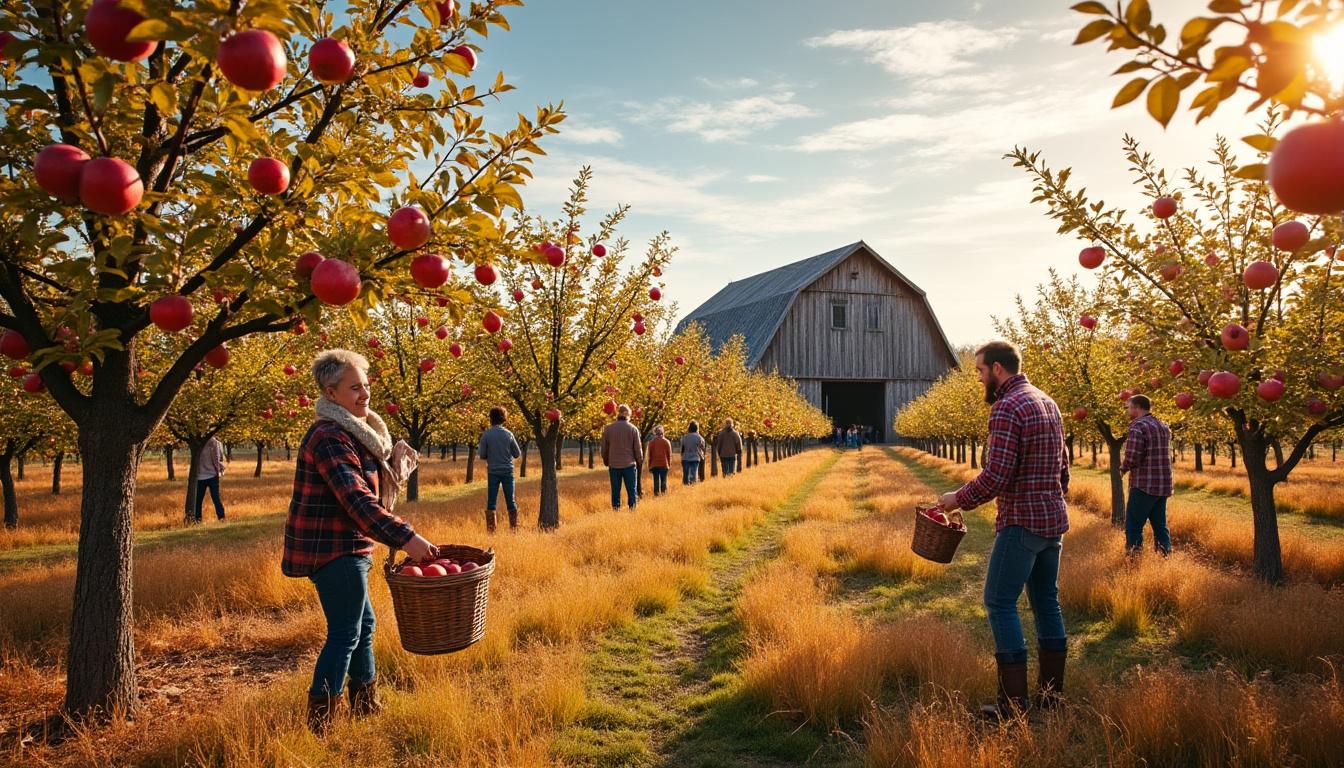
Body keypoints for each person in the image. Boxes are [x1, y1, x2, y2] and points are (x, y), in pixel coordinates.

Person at [282, 349, 437, 733]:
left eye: (366, 385)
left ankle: (366, 705)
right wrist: (407, 538)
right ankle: (322, 723)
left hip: (349, 546)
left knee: (363, 627)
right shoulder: (330, 437)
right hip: (333, 549)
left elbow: (365, 494)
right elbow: (355, 499)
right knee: (346, 633)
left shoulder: (355, 433)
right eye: (355, 387)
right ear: (331, 393)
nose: (365, 393)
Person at [937, 341, 1069, 719]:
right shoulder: (1047, 402)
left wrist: (957, 499)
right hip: (1052, 521)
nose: (979, 378)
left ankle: (1013, 705)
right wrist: (1055, 500)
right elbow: (1063, 466)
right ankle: (1051, 697)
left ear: (997, 369)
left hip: (1021, 521)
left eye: (979, 371)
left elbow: (997, 475)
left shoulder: (1007, 407)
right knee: (1046, 601)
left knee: (999, 601)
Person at [1120, 394, 1173, 555]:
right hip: (1162, 485)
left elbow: (1133, 456)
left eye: (1129, 407)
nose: (1127, 411)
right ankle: (1164, 557)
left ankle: (1134, 560)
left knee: (1134, 525)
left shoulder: (1137, 426)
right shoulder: (1162, 426)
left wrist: (1123, 468)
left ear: (1137, 407)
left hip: (1143, 485)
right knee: (1160, 525)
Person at [478, 405, 523, 533]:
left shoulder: (486, 435)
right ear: (503, 418)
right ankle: (514, 529)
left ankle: (491, 531)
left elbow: (482, 455)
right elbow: (517, 453)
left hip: (493, 471)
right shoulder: (509, 434)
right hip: (507, 471)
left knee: (491, 502)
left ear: (491, 418)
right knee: (511, 500)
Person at [601, 404, 642, 510]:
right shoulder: (633, 429)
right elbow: (638, 449)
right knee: (631, 490)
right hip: (629, 464)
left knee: (615, 490)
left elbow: (604, 448)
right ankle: (632, 510)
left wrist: (606, 461)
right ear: (627, 414)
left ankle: (616, 510)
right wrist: (639, 460)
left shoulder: (608, 429)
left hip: (614, 465)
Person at [194, 435, 227, 522]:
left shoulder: (197, 443)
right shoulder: (215, 443)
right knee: (215, 498)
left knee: (198, 500)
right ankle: (221, 518)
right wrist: (220, 469)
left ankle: (198, 520)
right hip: (210, 475)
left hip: (203, 476)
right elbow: (218, 459)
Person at [647, 425, 672, 496]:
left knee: (656, 481)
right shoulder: (667, 442)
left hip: (654, 465)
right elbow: (669, 455)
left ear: (655, 432)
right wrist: (669, 465)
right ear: (663, 432)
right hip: (664, 464)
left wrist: (649, 466)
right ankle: (663, 495)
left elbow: (650, 456)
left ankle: (656, 495)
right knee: (664, 481)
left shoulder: (651, 442)